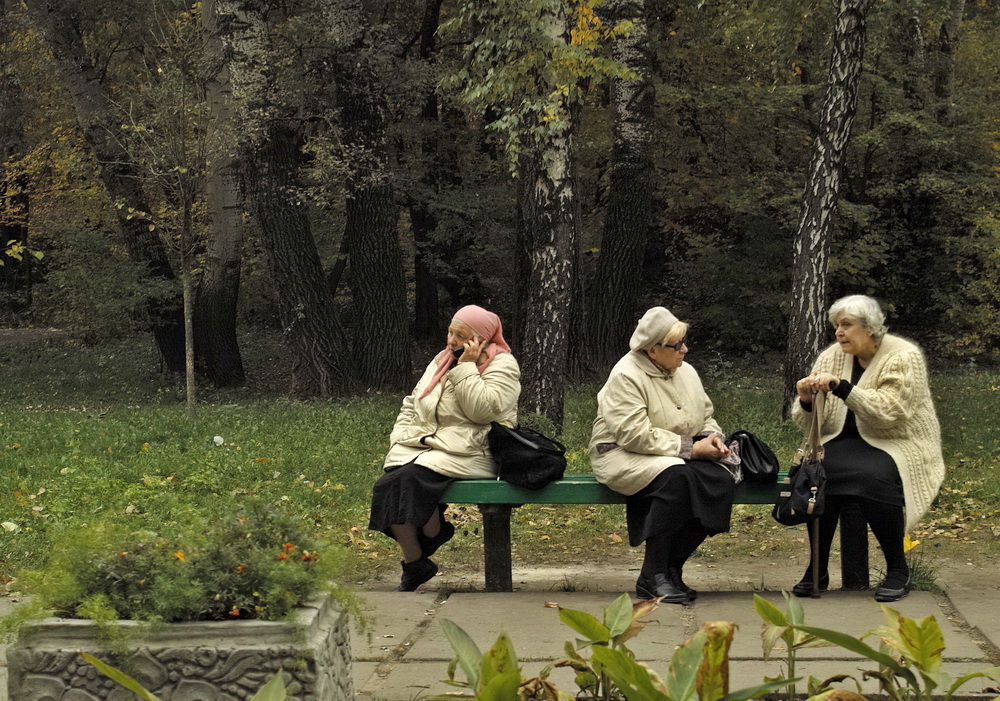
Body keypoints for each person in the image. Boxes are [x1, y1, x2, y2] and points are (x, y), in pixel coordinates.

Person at [791, 294, 945, 602]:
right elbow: (807, 424)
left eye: (847, 325)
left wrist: (844, 388)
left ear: (870, 327)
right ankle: (817, 569)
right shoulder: (832, 356)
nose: (839, 333)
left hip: (898, 442)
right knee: (818, 473)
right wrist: (806, 400)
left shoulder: (903, 356)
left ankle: (898, 570)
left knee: (870, 476)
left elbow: (890, 413)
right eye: (837, 326)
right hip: (841, 442)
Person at [589, 307, 740, 603]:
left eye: (684, 341)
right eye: (677, 345)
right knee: (677, 478)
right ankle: (652, 575)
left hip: (672, 453)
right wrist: (691, 448)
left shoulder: (687, 370)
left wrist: (714, 438)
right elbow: (632, 434)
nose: (685, 349)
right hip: (620, 454)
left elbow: (706, 415)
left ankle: (673, 568)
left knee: (720, 480)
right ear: (653, 350)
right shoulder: (625, 375)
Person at [369, 305, 521, 591]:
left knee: (411, 478)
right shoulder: (441, 359)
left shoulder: (503, 365)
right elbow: (412, 403)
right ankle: (417, 562)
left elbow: (482, 412)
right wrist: (399, 436)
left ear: (482, 339)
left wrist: (466, 368)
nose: (451, 340)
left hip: (476, 451)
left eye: (460, 335)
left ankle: (431, 534)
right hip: (430, 447)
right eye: (450, 332)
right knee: (386, 485)